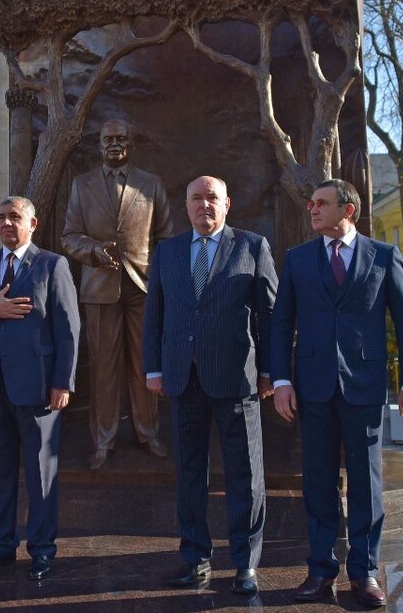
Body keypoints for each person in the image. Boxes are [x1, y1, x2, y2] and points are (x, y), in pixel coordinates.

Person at [271, 178, 403, 608]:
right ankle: (320, 570)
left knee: (366, 484)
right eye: (311, 203)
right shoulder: (298, 260)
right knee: (318, 482)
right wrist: (281, 380)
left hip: (365, 387)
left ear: (348, 210)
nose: (312, 210)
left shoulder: (384, 256)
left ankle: (365, 572)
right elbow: (282, 324)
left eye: (322, 203)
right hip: (313, 389)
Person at [143, 175, 277, 597]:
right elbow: (155, 316)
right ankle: (195, 558)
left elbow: (270, 315)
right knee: (189, 474)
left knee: (246, 476)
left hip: (237, 380)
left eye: (212, 198)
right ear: (185, 206)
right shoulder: (167, 252)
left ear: (227, 203)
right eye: (197, 199)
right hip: (183, 379)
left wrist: (272, 372)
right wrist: (154, 369)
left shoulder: (252, 246)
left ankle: (245, 564)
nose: (205, 205)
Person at [0, 196, 79, 582]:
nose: (7, 222)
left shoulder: (53, 265)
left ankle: (41, 550)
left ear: (32, 223)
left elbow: (69, 328)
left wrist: (62, 382)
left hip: (39, 389)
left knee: (41, 474)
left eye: (15, 216)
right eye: (1, 216)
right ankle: (1, 547)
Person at [62, 118, 173, 470]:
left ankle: (147, 433)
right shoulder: (83, 185)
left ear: (132, 143)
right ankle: (103, 440)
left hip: (143, 287)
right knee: (104, 369)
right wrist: (92, 251)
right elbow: (69, 237)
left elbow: (166, 240)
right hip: (99, 288)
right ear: (98, 144)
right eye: (107, 138)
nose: (113, 143)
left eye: (120, 138)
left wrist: (157, 280)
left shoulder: (151, 184)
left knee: (145, 365)